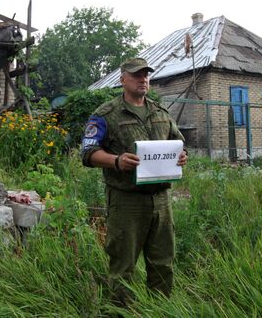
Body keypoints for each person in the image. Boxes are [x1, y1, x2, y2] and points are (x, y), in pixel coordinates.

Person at [80, 57, 187, 305]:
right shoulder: (106, 114)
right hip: (126, 201)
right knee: (123, 265)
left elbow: (180, 144)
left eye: (146, 75)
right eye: (137, 75)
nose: (143, 79)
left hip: (161, 201)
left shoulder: (161, 112)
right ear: (122, 79)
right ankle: (122, 311)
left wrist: (182, 156)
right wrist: (116, 161)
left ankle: (160, 309)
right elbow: (87, 152)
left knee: (163, 263)